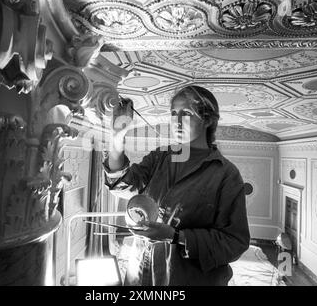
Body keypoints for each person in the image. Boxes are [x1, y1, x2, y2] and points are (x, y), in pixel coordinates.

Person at [102, 85, 250, 286]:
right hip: (141, 275)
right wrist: (117, 136)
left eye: (186, 113)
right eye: (173, 113)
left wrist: (175, 236)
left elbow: (234, 242)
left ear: (207, 120)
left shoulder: (226, 174)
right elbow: (122, 183)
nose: (177, 121)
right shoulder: (160, 158)